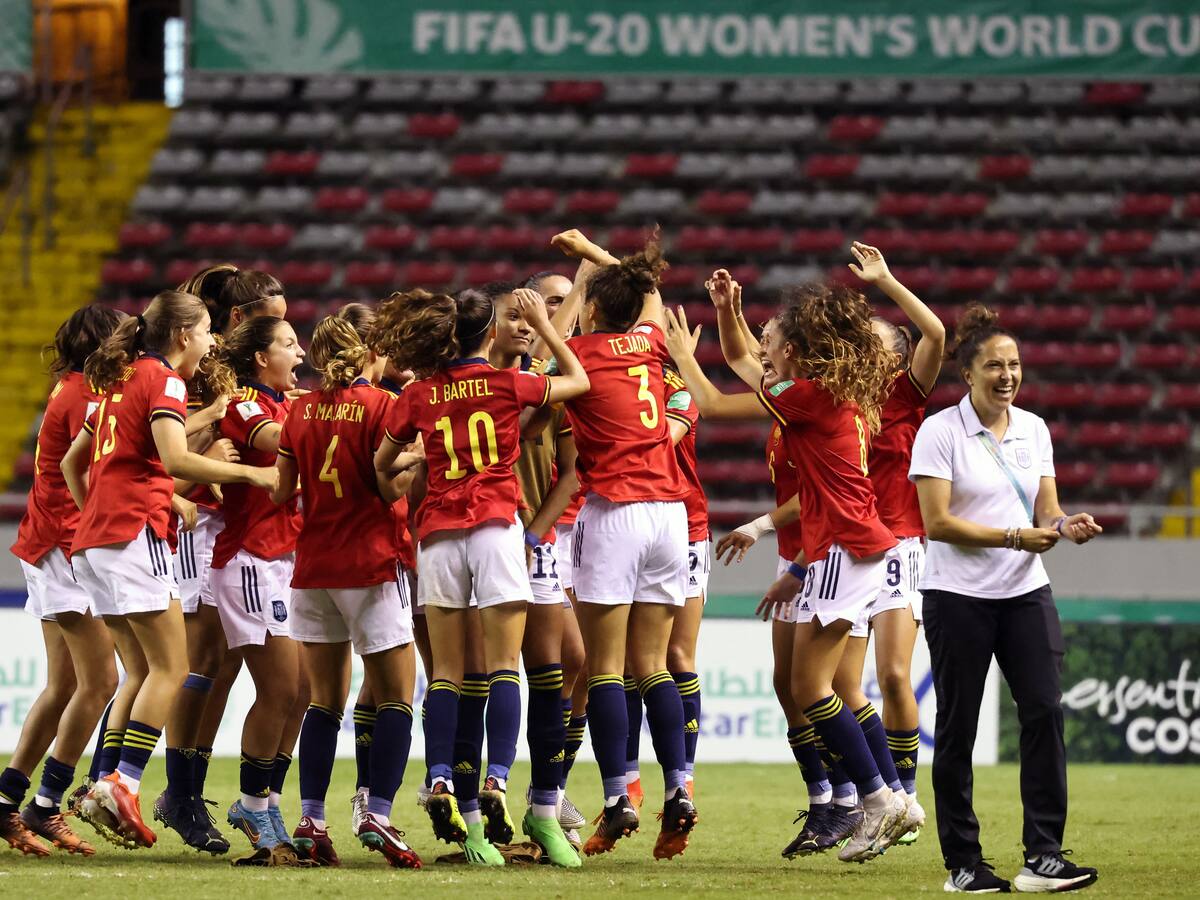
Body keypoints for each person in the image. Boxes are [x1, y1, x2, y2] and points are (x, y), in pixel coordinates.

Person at [665, 281, 910, 863]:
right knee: (815, 686)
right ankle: (886, 796)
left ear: (796, 352)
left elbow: (721, 400)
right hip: (847, 548)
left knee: (810, 688)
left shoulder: (808, 397)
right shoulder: (827, 392)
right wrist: (728, 312)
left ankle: (877, 799)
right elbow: (744, 361)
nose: (764, 349)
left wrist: (680, 359)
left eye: (773, 341)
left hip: (846, 550)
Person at [373, 286, 589, 867]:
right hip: (496, 529)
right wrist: (546, 326)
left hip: (438, 536)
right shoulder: (505, 384)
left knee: (446, 672)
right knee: (503, 669)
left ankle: (443, 780)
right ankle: (497, 778)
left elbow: (381, 466)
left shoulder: (417, 393)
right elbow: (578, 381)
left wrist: (415, 461)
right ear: (487, 334)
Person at [59, 290, 276, 848]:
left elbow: (71, 463)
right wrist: (252, 477)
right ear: (183, 335)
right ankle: (121, 783)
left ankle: (102, 785)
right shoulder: (167, 381)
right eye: (205, 331)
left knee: (137, 671)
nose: (210, 342)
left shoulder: (118, 379)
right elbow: (176, 459)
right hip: (135, 537)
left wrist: (98, 514)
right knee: (170, 669)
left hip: (94, 544)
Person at [909, 304, 1101, 894]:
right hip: (958, 597)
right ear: (967, 373)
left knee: (1044, 711)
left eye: (1014, 365)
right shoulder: (939, 432)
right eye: (995, 365)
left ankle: (1043, 856)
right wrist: (1014, 536)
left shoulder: (1034, 429)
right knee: (959, 728)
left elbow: (1046, 508)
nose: (1008, 375)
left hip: (1025, 593)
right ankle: (964, 864)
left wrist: (1065, 525)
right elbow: (936, 523)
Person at [546, 229, 698, 861]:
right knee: (655, 665)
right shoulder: (652, 341)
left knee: (605, 669)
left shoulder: (581, 354)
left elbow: (546, 353)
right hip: (671, 514)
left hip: (613, 513)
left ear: (595, 310)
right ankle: (681, 787)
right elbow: (653, 294)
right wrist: (602, 258)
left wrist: (577, 278)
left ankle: (617, 796)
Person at [276, 313, 422, 869]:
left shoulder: (298, 410)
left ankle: (311, 817)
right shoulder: (383, 406)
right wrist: (416, 458)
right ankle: (377, 813)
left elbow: (281, 495)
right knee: (396, 698)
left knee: (324, 702)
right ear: (369, 354)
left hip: (314, 565)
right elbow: (389, 487)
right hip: (369, 562)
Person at [155, 265, 288, 853]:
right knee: (200, 658)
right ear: (240, 320)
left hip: (230, 521)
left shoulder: (234, 376)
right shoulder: (201, 374)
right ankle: (177, 791)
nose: (283, 332)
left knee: (223, 666)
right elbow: (163, 448)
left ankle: (188, 786)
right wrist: (209, 440)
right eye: (273, 323)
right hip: (198, 522)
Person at [819, 242, 945, 847]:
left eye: (875, 340)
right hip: (850, 553)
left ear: (894, 356)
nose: (864, 349)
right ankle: (880, 799)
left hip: (899, 546)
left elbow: (937, 333)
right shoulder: (841, 400)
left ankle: (908, 796)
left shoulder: (905, 393)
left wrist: (887, 281)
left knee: (895, 676)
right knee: (843, 686)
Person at [0, 305, 125, 858]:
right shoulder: (86, 398)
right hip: (64, 548)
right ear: (103, 344)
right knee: (100, 682)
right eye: (123, 338)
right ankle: (44, 807)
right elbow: (101, 471)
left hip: (49, 544)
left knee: (67, 685)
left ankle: (6, 802)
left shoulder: (74, 389)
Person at [207, 316, 308, 861]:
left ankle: (266, 801)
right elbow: (279, 441)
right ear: (260, 358)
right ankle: (250, 801)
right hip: (249, 559)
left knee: (304, 690)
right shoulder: (245, 404)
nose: (300, 352)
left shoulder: (291, 403)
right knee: (280, 689)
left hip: (284, 561)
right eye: (289, 344)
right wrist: (335, 414)